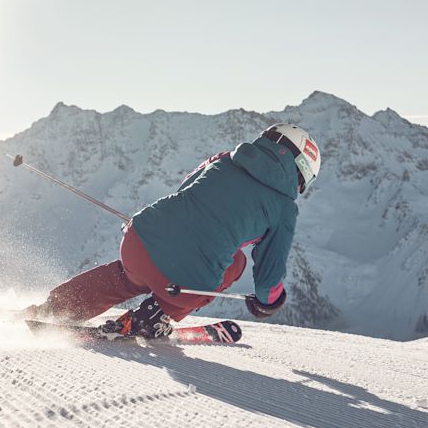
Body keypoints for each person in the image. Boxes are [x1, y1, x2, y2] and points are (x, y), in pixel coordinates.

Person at [27, 123, 322, 337]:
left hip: (138, 239)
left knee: (126, 277)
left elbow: (186, 190)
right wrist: (269, 302)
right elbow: (269, 273)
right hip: (183, 282)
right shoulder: (284, 206)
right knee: (236, 263)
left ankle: (53, 308)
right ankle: (156, 315)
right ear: (301, 172)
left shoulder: (225, 159)